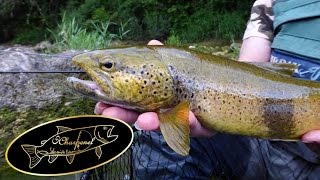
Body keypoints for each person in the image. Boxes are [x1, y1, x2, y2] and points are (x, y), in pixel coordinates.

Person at [95, 0, 320, 178]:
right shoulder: (272, 1)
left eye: (109, 67)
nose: (105, 70)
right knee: (156, 130)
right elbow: (248, 69)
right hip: (262, 146)